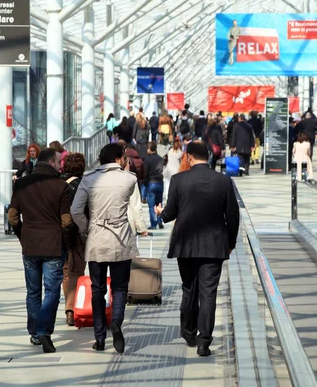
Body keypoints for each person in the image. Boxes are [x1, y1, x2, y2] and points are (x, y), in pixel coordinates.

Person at [154, 141, 239, 357]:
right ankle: (204, 343)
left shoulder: (179, 180)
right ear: (208, 157)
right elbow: (233, 217)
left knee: (188, 289)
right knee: (208, 294)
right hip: (214, 246)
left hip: (186, 245)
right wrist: (230, 243)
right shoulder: (224, 181)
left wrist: (160, 213)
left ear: (189, 157)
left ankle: (189, 333)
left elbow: (171, 212)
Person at [71, 143, 148, 354]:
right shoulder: (129, 179)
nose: (126, 159)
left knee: (98, 289)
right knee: (120, 287)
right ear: (117, 158)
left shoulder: (88, 179)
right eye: (124, 156)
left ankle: (99, 337)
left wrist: (87, 228)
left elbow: (75, 210)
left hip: (97, 239)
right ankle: (116, 321)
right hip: (121, 238)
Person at [8, 148, 72, 353]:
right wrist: (65, 239)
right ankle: (44, 331)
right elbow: (67, 221)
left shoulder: (21, 184)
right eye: (59, 162)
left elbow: (12, 217)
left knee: (33, 291)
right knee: (52, 291)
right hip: (53, 245)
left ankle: (35, 333)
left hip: (30, 245)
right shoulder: (62, 187)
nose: (61, 165)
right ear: (51, 162)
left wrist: (21, 234)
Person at [59, 153, 86, 327]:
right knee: (77, 269)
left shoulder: (59, 184)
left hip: (60, 231)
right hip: (78, 232)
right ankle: (73, 308)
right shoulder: (84, 185)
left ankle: (69, 308)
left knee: (66, 271)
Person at [143, 142, 165, 229]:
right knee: (159, 203)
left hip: (151, 182)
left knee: (151, 205)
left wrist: (145, 182)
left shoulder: (147, 160)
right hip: (160, 182)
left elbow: (145, 173)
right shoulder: (160, 159)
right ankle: (160, 220)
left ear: (149, 149)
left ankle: (153, 224)